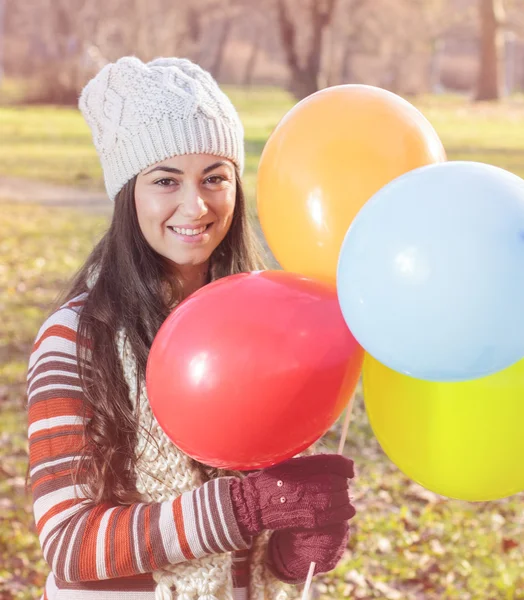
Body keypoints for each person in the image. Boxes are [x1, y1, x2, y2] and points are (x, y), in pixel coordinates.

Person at [26, 56, 356, 600]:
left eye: (214, 178)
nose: (194, 204)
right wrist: (242, 508)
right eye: (166, 180)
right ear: (128, 192)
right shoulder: (76, 338)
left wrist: (293, 551)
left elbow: (251, 542)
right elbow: (68, 542)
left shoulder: (261, 325)